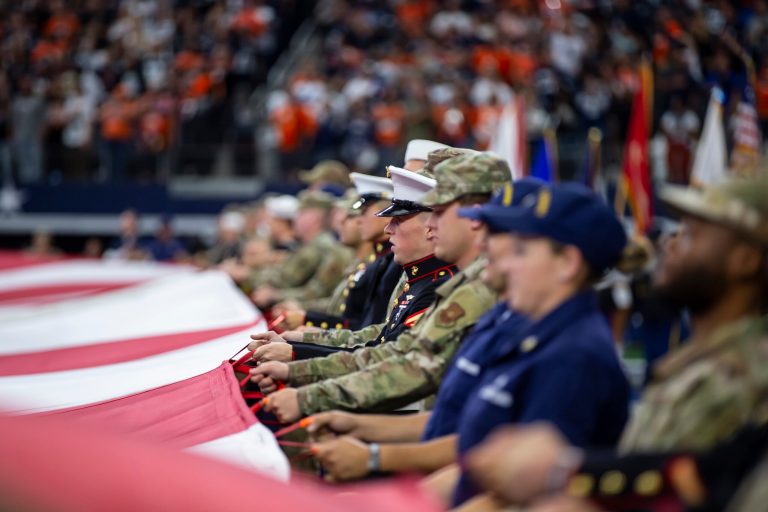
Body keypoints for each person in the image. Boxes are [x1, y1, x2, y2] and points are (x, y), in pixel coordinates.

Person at [460, 174, 768, 511]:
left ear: (746, 260)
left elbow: (694, 486)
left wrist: (564, 471)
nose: (671, 243)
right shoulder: (695, 361)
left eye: (693, 234)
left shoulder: (749, 378)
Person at [302, 179, 545, 483]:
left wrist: (375, 457)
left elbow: (501, 460)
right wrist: (358, 426)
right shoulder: (486, 302)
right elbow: (454, 420)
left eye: (514, 244)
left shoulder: (553, 340)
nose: (431, 224)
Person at [248, 151, 510, 423]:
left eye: (440, 213)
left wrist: (304, 385)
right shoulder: (459, 281)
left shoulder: (481, 287)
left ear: (477, 216)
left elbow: (412, 370)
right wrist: (298, 356)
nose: (431, 225)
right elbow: (391, 345)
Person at [253, 167, 456, 362]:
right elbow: (378, 337)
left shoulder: (434, 281)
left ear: (431, 226)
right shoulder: (403, 268)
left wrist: (297, 355)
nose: (388, 228)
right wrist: (301, 342)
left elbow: (386, 361)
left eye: (398, 219)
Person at [250, 190, 353, 307]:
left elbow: (290, 282)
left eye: (301, 213)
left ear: (314, 218)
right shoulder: (314, 244)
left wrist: (274, 296)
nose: (296, 219)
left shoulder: (320, 247)